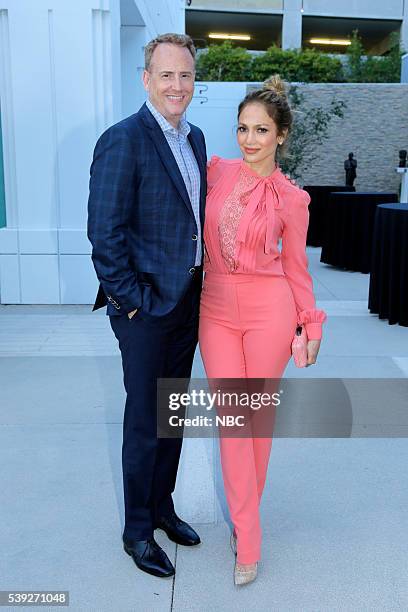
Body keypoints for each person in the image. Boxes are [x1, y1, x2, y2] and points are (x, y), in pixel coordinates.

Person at [199, 75, 327, 586]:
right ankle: (248, 538)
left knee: (256, 427)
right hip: (215, 309)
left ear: (281, 135)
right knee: (234, 423)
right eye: (243, 128)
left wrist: (311, 323)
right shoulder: (216, 173)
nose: (249, 139)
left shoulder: (293, 200)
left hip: (269, 310)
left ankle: (245, 536)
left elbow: (297, 269)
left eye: (261, 130)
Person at [87, 33, 207, 578]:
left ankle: (162, 507)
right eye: (166, 75)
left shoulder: (196, 139)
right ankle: (137, 530)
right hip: (144, 311)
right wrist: (131, 303)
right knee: (143, 420)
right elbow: (105, 235)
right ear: (146, 79)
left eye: (184, 75)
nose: (176, 85)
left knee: (172, 414)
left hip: (188, 305)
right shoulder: (123, 139)